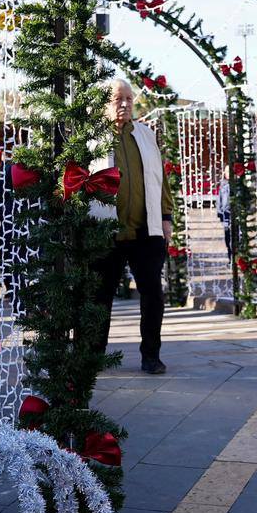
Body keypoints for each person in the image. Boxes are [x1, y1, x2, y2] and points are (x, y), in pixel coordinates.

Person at [89, 79, 174, 374]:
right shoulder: (90, 137)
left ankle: (151, 355)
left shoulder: (146, 134)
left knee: (152, 292)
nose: (124, 104)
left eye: (128, 98)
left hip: (144, 229)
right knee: (101, 295)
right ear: (104, 104)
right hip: (105, 230)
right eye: (117, 99)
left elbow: (158, 179)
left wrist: (166, 217)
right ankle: (94, 355)